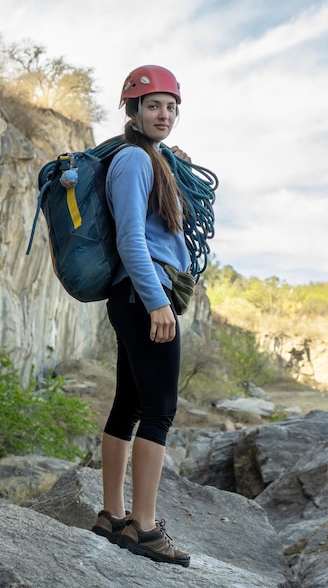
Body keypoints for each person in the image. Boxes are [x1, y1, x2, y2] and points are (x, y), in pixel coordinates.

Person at [91, 65, 192, 568]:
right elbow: (131, 238)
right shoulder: (132, 160)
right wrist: (158, 302)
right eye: (153, 105)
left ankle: (112, 515)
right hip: (143, 296)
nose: (165, 114)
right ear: (132, 110)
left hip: (133, 296)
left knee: (128, 404)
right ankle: (146, 529)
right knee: (159, 410)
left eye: (171, 107)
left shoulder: (150, 158)